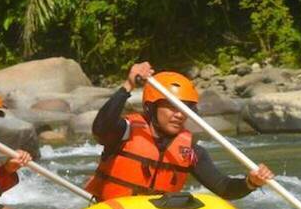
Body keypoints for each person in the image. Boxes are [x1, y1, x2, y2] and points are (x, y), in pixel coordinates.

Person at [85, 62, 274, 200]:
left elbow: (224, 188)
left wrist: (251, 182)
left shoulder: (190, 151)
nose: (179, 115)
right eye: (172, 107)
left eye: (184, 109)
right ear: (152, 108)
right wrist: (129, 85)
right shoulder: (125, 132)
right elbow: (101, 128)